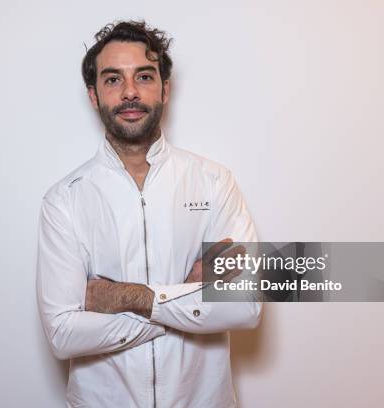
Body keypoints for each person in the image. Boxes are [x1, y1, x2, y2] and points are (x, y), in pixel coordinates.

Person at [36, 20, 262, 408]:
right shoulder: (64, 200)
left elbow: (245, 308)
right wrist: (187, 298)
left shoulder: (213, 182)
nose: (129, 92)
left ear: (165, 88)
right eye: (112, 80)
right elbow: (62, 334)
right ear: (93, 95)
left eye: (144, 76)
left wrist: (125, 296)